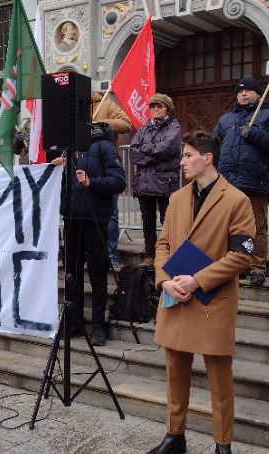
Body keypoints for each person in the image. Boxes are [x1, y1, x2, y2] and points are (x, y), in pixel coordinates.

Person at [147, 131, 255, 454]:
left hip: (211, 300)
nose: (181, 161)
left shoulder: (237, 200)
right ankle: (174, 436)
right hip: (175, 297)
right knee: (175, 375)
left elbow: (241, 256)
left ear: (207, 158)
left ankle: (223, 445)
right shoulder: (176, 198)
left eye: (187, 155)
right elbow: (163, 244)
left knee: (220, 382)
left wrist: (197, 280)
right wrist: (164, 280)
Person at [52, 122, 126, 346]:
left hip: (94, 220)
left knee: (97, 275)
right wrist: (59, 168)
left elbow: (119, 181)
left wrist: (91, 182)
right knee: (71, 275)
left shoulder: (104, 147)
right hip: (73, 219)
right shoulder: (70, 148)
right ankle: (72, 323)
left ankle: (98, 326)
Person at [214, 77, 269, 286]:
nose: (243, 94)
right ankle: (237, 264)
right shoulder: (225, 120)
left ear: (258, 94)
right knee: (231, 227)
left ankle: (258, 266)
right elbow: (214, 145)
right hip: (228, 182)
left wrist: (255, 133)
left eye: (248, 90)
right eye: (240, 91)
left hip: (255, 180)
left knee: (257, 226)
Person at [129, 93, 182, 267]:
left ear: (167, 108)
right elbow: (133, 152)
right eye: (152, 106)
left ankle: (169, 255)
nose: (155, 109)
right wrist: (154, 154)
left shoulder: (174, 126)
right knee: (148, 223)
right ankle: (150, 255)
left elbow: (168, 148)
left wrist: (146, 152)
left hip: (165, 182)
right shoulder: (144, 128)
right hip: (144, 182)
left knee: (168, 222)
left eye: (159, 106)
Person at [91, 90, 134, 266]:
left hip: (105, 162)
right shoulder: (76, 106)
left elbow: (126, 124)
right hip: (86, 163)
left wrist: (100, 123)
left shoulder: (106, 104)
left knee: (111, 214)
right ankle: (93, 254)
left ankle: (111, 255)